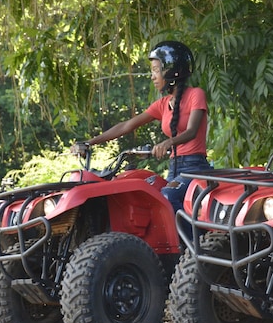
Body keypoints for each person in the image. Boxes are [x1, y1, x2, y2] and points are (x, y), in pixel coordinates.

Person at [79, 40, 213, 212]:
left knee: (168, 196)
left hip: (195, 167)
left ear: (172, 71)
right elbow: (126, 126)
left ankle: (196, 239)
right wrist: (90, 142)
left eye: (156, 70)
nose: (152, 77)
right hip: (174, 167)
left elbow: (192, 131)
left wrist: (167, 143)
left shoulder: (196, 94)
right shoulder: (163, 104)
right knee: (149, 200)